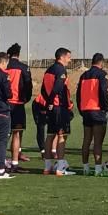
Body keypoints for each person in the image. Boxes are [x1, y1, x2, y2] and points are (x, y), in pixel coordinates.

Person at [35, 47, 75, 176]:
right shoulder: (61, 70)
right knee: (61, 136)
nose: (70, 60)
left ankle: (47, 167)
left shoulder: (49, 70)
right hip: (59, 107)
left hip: (51, 108)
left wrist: (48, 103)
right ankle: (60, 168)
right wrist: (52, 102)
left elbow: (42, 90)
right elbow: (58, 87)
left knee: (50, 135)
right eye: (69, 57)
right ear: (62, 57)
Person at [77, 53, 108, 176]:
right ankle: (97, 169)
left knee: (86, 140)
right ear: (101, 62)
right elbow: (103, 92)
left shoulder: (83, 75)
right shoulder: (102, 75)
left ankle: (85, 168)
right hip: (97, 110)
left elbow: (78, 94)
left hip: (85, 110)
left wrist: (81, 109)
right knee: (97, 142)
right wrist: (105, 107)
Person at [5, 43, 33, 172]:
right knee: (17, 133)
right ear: (18, 54)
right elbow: (28, 86)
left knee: (2, 133)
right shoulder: (23, 67)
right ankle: (14, 163)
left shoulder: (3, 66)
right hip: (17, 104)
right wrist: (25, 99)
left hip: (3, 104)